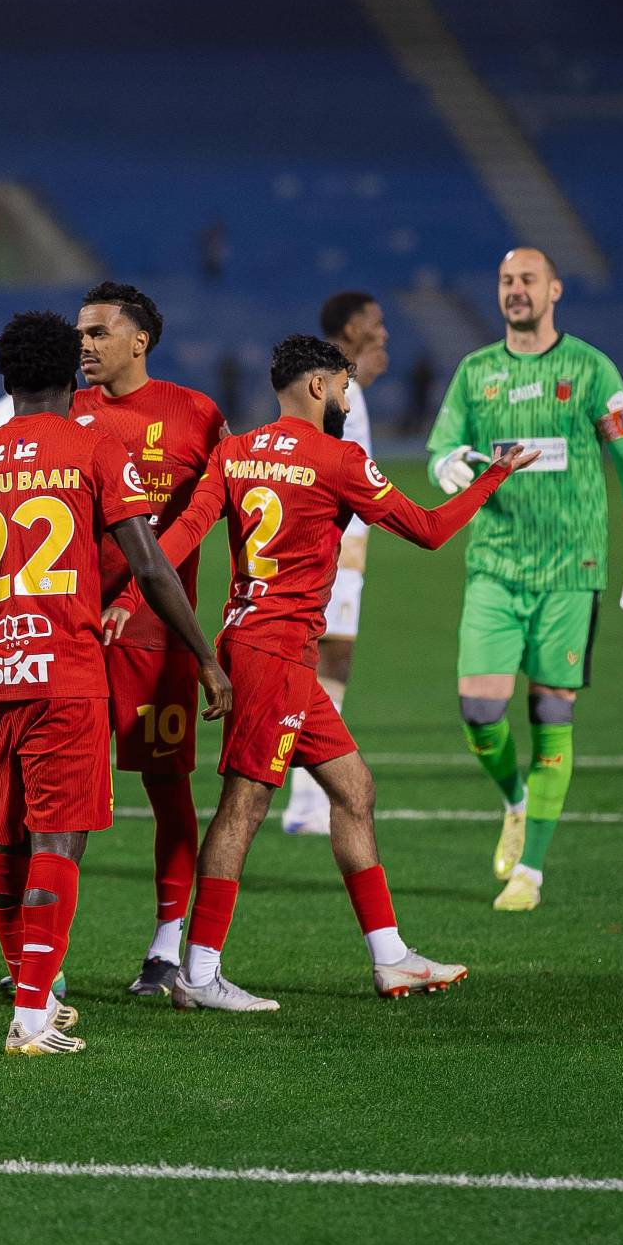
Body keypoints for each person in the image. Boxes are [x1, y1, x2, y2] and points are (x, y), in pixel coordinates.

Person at [114, 334, 533, 1012]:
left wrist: (127, 598)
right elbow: (428, 530)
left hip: (258, 644)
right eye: (344, 385)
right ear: (318, 385)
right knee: (245, 804)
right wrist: (494, 477)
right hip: (275, 654)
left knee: (354, 789)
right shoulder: (339, 459)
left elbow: (179, 537)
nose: (345, 397)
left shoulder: (234, 452)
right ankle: (199, 970)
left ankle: (391, 958)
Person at [0, 311, 231, 1057]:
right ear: (71, 375)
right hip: (64, 671)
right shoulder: (94, 448)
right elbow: (151, 566)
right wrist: (204, 656)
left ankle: (30, 991)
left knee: (4, 839)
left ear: (6, 378)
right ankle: (32, 1015)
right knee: (57, 841)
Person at [427, 247, 623, 911]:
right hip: (495, 564)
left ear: (555, 291)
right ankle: (515, 799)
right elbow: (442, 445)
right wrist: (445, 464)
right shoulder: (476, 372)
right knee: (480, 712)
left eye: (528, 280)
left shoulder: (592, 369)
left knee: (551, 710)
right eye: (507, 281)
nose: (516, 290)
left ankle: (531, 872)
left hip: (572, 570)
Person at [283, 290, 390, 837]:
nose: (383, 330)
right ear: (351, 327)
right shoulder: (327, 383)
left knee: (326, 661)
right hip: (335, 541)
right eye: (374, 321)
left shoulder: (341, 383)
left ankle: (305, 796)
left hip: (344, 540)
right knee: (326, 661)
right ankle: (305, 801)